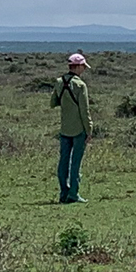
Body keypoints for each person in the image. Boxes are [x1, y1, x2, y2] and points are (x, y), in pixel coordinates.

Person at [51, 52, 95, 203]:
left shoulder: (58, 82)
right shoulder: (80, 85)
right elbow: (85, 110)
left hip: (64, 128)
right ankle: (74, 194)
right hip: (79, 129)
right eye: (83, 66)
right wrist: (89, 130)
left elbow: (53, 103)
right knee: (75, 162)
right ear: (78, 67)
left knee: (63, 161)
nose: (83, 69)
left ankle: (63, 193)